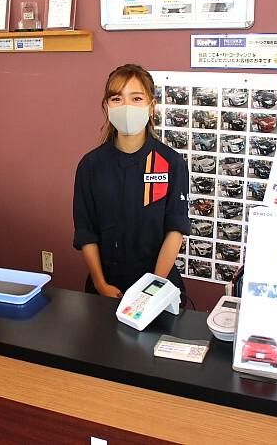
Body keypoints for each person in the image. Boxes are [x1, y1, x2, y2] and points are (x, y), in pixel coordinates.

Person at [73, 64, 190, 302]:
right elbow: (86, 233)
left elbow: (175, 230)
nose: (126, 106)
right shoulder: (91, 165)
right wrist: (101, 284)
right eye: (117, 99)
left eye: (136, 98)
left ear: (151, 106)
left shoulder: (171, 163)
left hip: (158, 287)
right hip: (105, 290)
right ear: (107, 106)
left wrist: (152, 288)